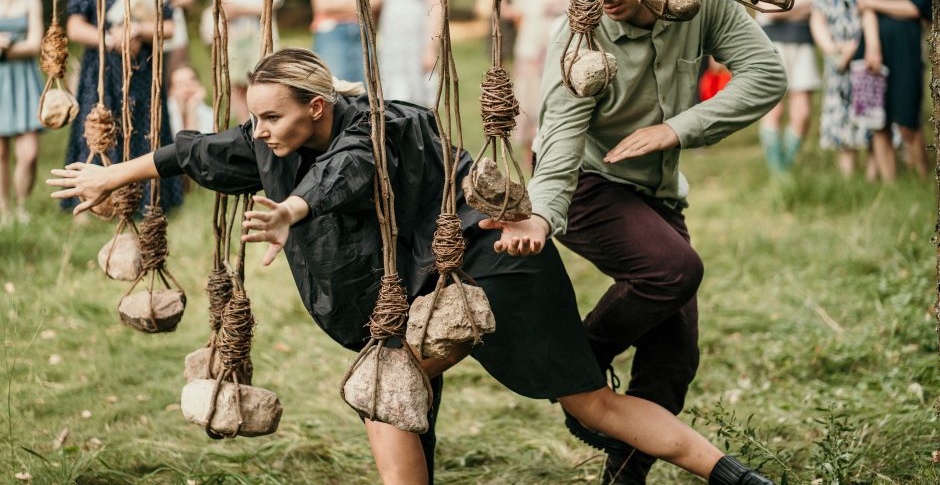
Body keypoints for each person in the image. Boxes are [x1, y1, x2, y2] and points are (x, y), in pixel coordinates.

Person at [48, 47, 774, 485]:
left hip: (496, 262)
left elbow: (352, 172)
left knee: (593, 405)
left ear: (320, 105)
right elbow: (192, 150)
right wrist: (112, 178)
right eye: (257, 117)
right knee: (388, 385)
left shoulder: (387, 125)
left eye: (272, 116)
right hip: (422, 290)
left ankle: (732, 475)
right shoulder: (273, 141)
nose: (259, 131)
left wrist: (293, 212)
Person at [483, 0, 787, 484]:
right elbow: (562, 140)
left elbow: (766, 75)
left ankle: (624, 473)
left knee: (674, 359)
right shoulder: (579, 36)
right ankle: (581, 365)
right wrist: (541, 217)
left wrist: (675, 131)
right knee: (674, 270)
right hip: (586, 183)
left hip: (657, 190)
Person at [63, 0, 182, 214]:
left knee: (142, 127)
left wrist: (139, 30)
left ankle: (147, 200)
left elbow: (170, 28)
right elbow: (75, 28)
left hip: (141, 74)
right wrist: (108, 39)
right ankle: (88, 202)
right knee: (96, 130)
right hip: (101, 72)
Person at [857, 0, 932, 181]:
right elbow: (865, 10)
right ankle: (890, 186)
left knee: (909, 119)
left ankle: (922, 179)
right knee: (878, 119)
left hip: (908, 45)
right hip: (875, 44)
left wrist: (874, 1)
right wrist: (872, 46)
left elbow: (915, 8)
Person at [809, 0, 873, 178]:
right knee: (840, 112)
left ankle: (874, 179)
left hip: (868, 51)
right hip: (836, 56)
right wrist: (833, 50)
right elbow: (817, 18)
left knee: (870, 111)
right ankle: (847, 180)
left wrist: (855, 47)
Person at [757, 0, 820, 173]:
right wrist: (798, 1)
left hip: (802, 40)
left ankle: (788, 163)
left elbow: (815, 0)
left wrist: (782, 4)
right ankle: (779, 174)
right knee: (774, 109)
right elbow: (762, 5)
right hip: (772, 43)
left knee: (802, 113)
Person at [510, 0, 571, 165]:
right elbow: (519, 17)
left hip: (560, 50)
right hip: (532, 50)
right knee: (529, 98)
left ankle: (553, 149)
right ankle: (529, 152)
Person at [0, 0, 43, 226]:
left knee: (29, 153)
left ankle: (22, 205)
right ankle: (4, 210)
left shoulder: (31, 0)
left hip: (24, 79)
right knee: (0, 151)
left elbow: (35, 44)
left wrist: (5, 47)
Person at [223, 0, 285, 123]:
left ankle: (263, 119)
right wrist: (255, 7)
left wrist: (241, 8)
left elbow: (271, 4)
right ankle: (245, 125)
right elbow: (226, 9)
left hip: (262, 37)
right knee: (239, 84)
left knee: (263, 79)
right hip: (237, 38)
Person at [167, 64, 214, 135]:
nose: (187, 87)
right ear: (171, 91)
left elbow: (194, 143)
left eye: (192, 80)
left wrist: (192, 108)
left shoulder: (209, 114)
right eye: (180, 83)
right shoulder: (165, 113)